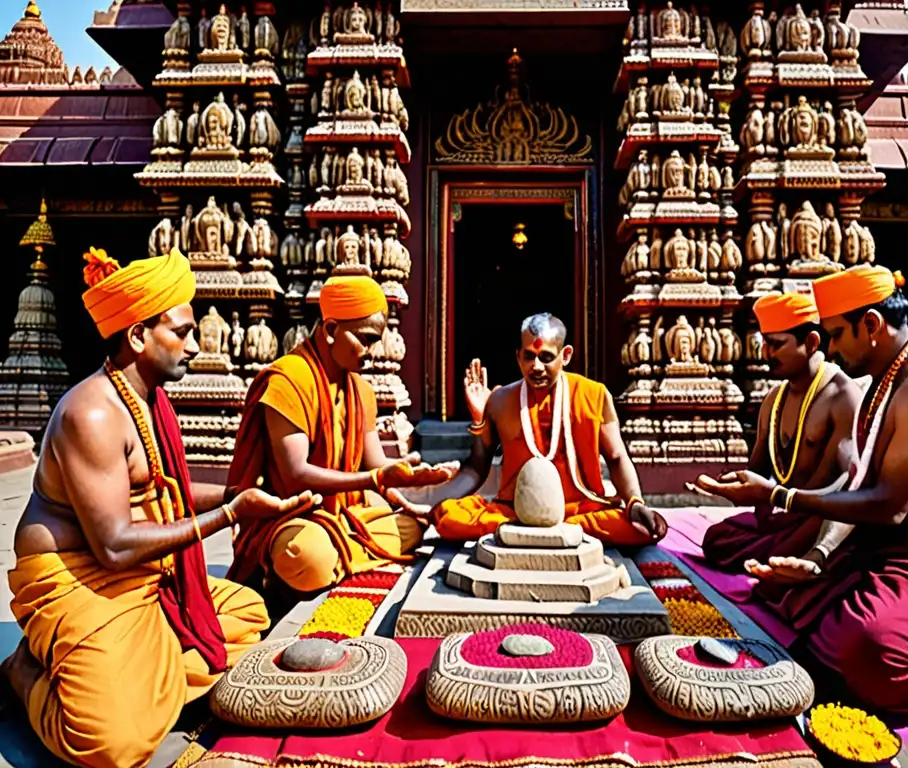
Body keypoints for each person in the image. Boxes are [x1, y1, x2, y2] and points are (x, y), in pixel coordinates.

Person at [1, 247, 313, 768]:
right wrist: (231, 516)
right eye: (182, 331)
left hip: (142, 580)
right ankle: (24, 670)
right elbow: (115, 545)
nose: (196, 345)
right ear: (138, 337)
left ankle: (132, 671)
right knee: (112, 744)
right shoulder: (93, 414)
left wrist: (240, 498)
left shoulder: (148, 398)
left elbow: (165, 494)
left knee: (244, 615)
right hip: (82, 577)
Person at [695, 265, 908, 715]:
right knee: (784, 596)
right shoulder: (883, 383)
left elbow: (888, 504)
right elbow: (858, 484)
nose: (834, 348)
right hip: (882, 543)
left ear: (872, 325)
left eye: (837, 334)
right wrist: (817, 558)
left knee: (873, 656)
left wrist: (778, 496)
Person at [226, 268, 454, 595]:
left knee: (413, 528)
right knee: (307, 556)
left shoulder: (360, 391)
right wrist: (377, 480)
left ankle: (340, 558)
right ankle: (332, 559)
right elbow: (296, 475)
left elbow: (376, 466)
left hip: (345, 517)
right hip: (293, 517)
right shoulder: (288, 379)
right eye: (365, 339)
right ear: (331, 329)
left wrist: (409, 484)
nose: (372, 350)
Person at [394, 313, 667, 544]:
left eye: (546, 357)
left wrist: (635, 503)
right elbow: (476, 466)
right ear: (518, 356)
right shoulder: (500, 401)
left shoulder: (594, 394)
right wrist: (433, 504)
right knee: (450, 518)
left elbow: (617, 457)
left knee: (641, 527)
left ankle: (528, 537)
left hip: (579, 510)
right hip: (514, 511)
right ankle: (557, 537)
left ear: (566, 355)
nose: (536, 366)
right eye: (529, 356)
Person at [700, 291, 862, 584]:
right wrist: (730, 488)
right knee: (717, 539)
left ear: (811, 342)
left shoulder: (843, 395)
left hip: (822, 517)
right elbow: (757, 472)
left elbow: (846, 486)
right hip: (783, 519)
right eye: (764, 344)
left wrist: (777, 500)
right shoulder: (774, 400)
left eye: (776, 345)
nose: (765, 354)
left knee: (792, 554)